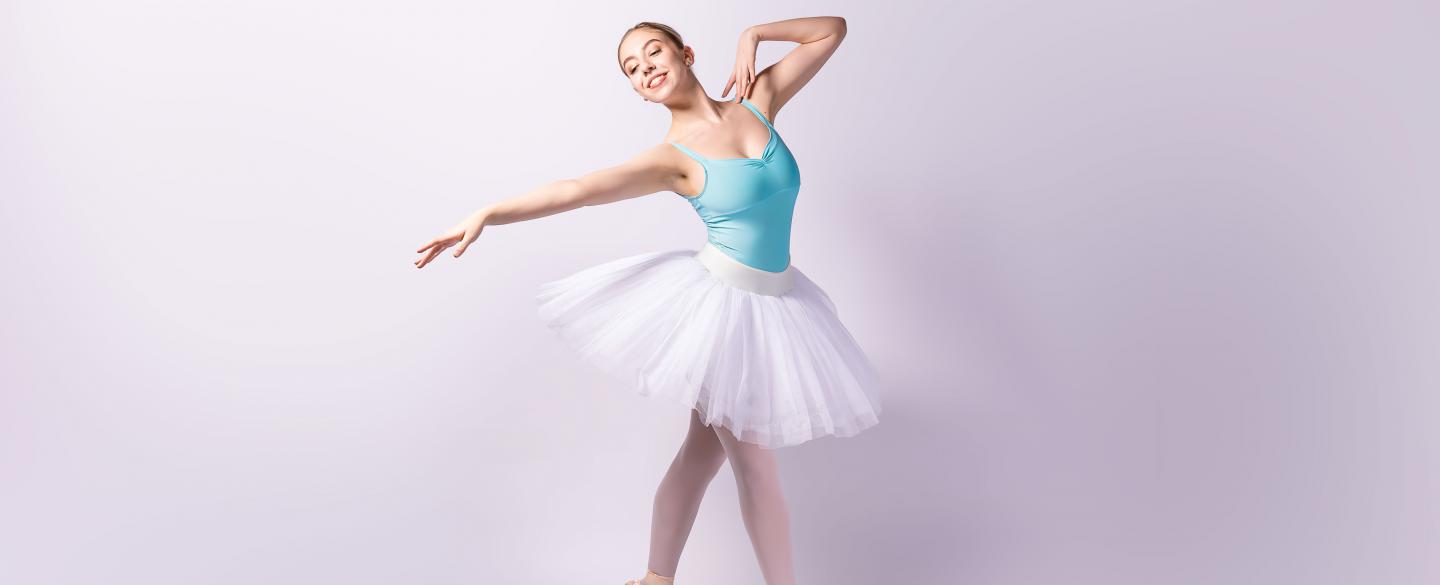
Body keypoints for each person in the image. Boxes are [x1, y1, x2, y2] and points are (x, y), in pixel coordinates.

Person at [413, 17, 878, 585]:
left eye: (652, 52)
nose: (646, 69)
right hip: (727, 313)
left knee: (700, 455)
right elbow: (577, 191)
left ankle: (655, 581)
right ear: (637, 92)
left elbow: (831, 30)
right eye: (633, 70)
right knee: (755, 467)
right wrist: (488, 213)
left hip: (778, 303)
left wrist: (754, 34)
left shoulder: (759, 100)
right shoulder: (672, 159)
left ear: (685, 52)